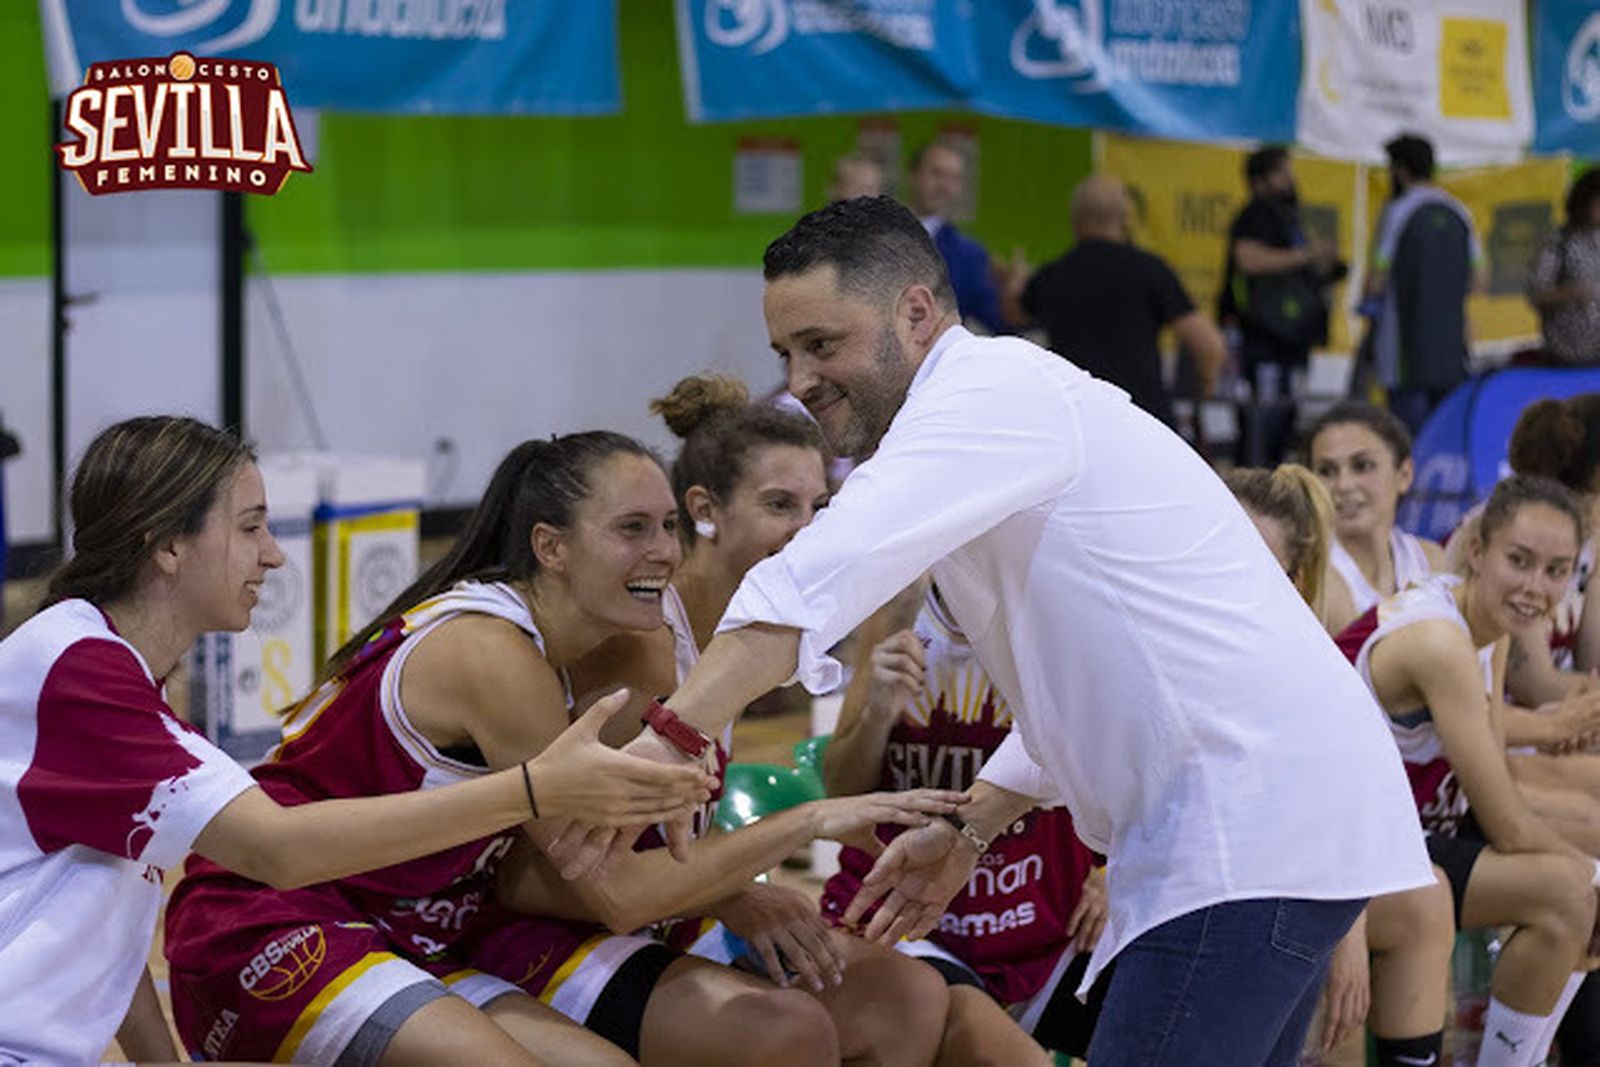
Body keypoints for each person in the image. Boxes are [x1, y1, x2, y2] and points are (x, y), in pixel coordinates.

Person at [563, 195, 1436, 1065]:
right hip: (1270, 815)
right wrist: (971, 826)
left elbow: (817, 573)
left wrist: (675, 732)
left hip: (1244, 824)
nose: (798, 381)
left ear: (915, 313)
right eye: (786, 353)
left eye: (823, 345)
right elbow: (1079, 683)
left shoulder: (989, 397)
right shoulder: (1006, 410)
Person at [164, 428, 958, 1066]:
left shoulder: (585, 638)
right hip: (280, 919)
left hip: (420, 925)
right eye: (634, 529)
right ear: (551, 547)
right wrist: (798, 827)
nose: (663, 552)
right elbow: (610, 890)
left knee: (906, 1000)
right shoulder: (499, 653)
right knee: (778, 1029)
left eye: (666, 529)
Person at [0, 416, 714, 1067]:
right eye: (250, 527)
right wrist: (533, 787)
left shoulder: (103, 673)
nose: (274, 555)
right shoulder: (78, 672)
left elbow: (106, 918)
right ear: (168, 545)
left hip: (381, 924)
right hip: (277, 926)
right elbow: (275, 848)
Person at [553, 373, 955, 1067]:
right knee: (789, 1031)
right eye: (779, 505)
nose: (808, 530)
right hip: (560, 925)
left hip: (669, 908)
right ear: (705, 509)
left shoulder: (752, 629)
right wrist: (740, 889)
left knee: (909, 996)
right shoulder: (642, 642)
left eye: (818, 506)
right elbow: (593, 875)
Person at [1337, 475, 1600, 1067]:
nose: (1537, 587)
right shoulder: (1439, 641)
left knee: (1578, 878)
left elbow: (1493, 783)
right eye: (1520, 561)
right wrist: (1587, 870)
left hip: (1411, 832)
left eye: (1556, 571)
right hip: (1346, 846)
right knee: (1570, 889)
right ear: (1478, 551)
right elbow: (1506, 824)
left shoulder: (1489, 623)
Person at [820, 576, 1109, 1066]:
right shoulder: (896, 605)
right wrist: (876, 714)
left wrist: (1113, 870)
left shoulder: (1066, 607)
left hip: (1049, 924)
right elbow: (841, 794)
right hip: (912, 924)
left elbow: (1123, 765)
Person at [1228, 465, 1458, 1067]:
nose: (1229, 578)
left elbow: (1330, 813)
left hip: (1285, 884)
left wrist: (1348, 929)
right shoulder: (1169, 647)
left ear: (1295, 580)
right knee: (1317, 941)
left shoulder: (1308, 672)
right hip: (1204, 897)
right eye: (1218, 553)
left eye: (1253, 568)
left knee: (1419, 899)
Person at [1000, 175, 1226, 429]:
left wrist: (1013, 282)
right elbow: (1209, 346)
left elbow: (1015, 314)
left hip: (1075, 420)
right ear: (1125, 218)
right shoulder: (1151, 271)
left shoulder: (1052, 275)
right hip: (1142, 418)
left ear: (1075, 220)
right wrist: (1204, 389)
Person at [1219, 145, 1344, 464]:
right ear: (1260, 181)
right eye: (1281, 173)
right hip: (1261, 339)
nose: (1290, 180)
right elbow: (1247, 257)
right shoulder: (1256, 213)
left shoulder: (1289, 219)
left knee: (1284, 420)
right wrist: (1305, 256)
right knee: (1261, 424)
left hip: (1290, 340)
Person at [1364, 133, 1485, 434]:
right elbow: (1481, 280)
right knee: (1444, 431)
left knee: (1407, 434)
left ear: (1400, 170)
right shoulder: (1459, 211)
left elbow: (1377, 281)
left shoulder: (1397, 212)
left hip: (1402, 347)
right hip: (1451, 347)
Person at [1305, 402, 1446, 636]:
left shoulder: (1431, 560)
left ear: (1404, 474)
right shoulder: (1312, 577)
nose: (1344, 485)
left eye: (1362, 466)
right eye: (1326, 471)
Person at [905, 139, 1012, 335]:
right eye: (936, 173)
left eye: (954, 179)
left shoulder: (970, 254)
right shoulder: (878, 237)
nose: (944, 187)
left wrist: (1014, 295)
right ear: (913, 175)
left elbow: (999, 321)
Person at [1527, 167, 1600, 365]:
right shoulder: (1558, 242)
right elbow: (1536, 294)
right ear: (1584, 202)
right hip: (1568, 355)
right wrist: (1570, 293)